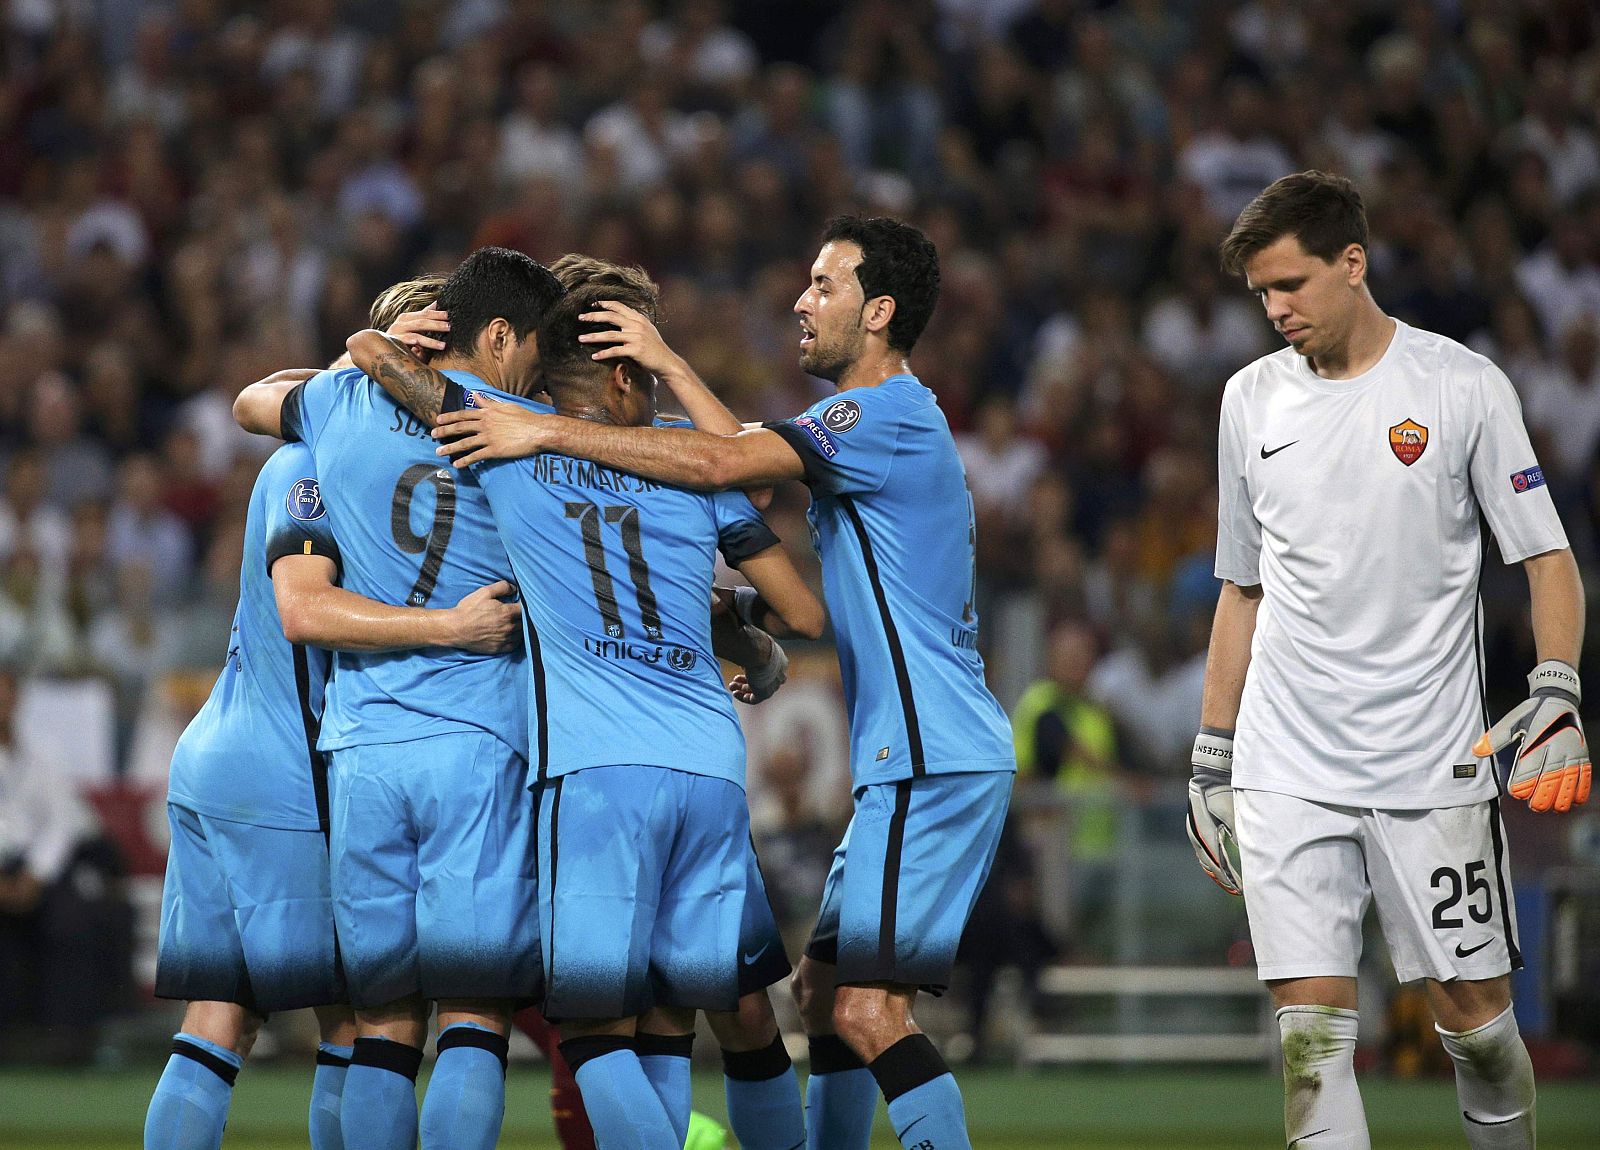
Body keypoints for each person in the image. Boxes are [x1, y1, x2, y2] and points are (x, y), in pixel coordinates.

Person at [424, 216, 1017, 1150]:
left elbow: (724, 461)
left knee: (861, 1014)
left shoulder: (885, 412)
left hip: (930, 749)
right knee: (818, 1001)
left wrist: (541, 421)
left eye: (825, 284)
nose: (801, 299)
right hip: (850, 754)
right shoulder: (850, 430)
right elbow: (751, 514)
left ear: (881, 312)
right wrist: (736, 623)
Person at [347, 257, 825, 1150]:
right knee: (689, 1018)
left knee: (596, 1031)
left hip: (598, 771)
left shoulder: (513, 440)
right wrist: (750, 642)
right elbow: (792, 583)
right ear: (624, 370)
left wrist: (384, 340)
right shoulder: (690, 457)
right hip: (712, 767)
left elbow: (386, 368)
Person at [1186, 170, 1589, 1150]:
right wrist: (1210, 750)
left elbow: (1548, 559)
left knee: (1479, 1027)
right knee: (1311, 1042)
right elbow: (1240, 589)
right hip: (1286, 762)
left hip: (1430, 763)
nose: (1276, 310)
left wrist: (1557, 688)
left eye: (1290, 285)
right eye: (1262, 294)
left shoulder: (1458, 386)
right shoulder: (1249, 402)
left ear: (1351, 263)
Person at [145, 278, 523, 1150]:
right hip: (283, 771)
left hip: (220, 753)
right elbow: (304, 610)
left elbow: (257, 396)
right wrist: (453, 628)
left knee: (217, 1019)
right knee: (358, 1026)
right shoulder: (315, 468)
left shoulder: (319, 442)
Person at [232, 248, 559, 1150]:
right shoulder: (523, 425)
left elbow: (250, 402)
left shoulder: (340, 404)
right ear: (491, 335)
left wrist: (364, 351)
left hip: (364, 747)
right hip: (479, 739)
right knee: (473, 1015)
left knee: (381, 1025)